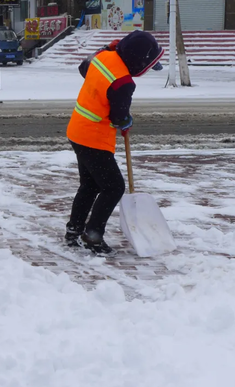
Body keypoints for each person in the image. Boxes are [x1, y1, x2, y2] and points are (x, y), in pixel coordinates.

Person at [65, 30, 164, 255]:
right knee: (114, 187)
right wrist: (125, 121)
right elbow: (118, 117)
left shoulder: (103, 56)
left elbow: (84, 68)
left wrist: (110, 48)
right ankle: (92, 235)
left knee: (90, 185)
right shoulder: (123, 82)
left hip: (77, 131)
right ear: (138, 60)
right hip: (93, 139)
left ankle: (73, 231)